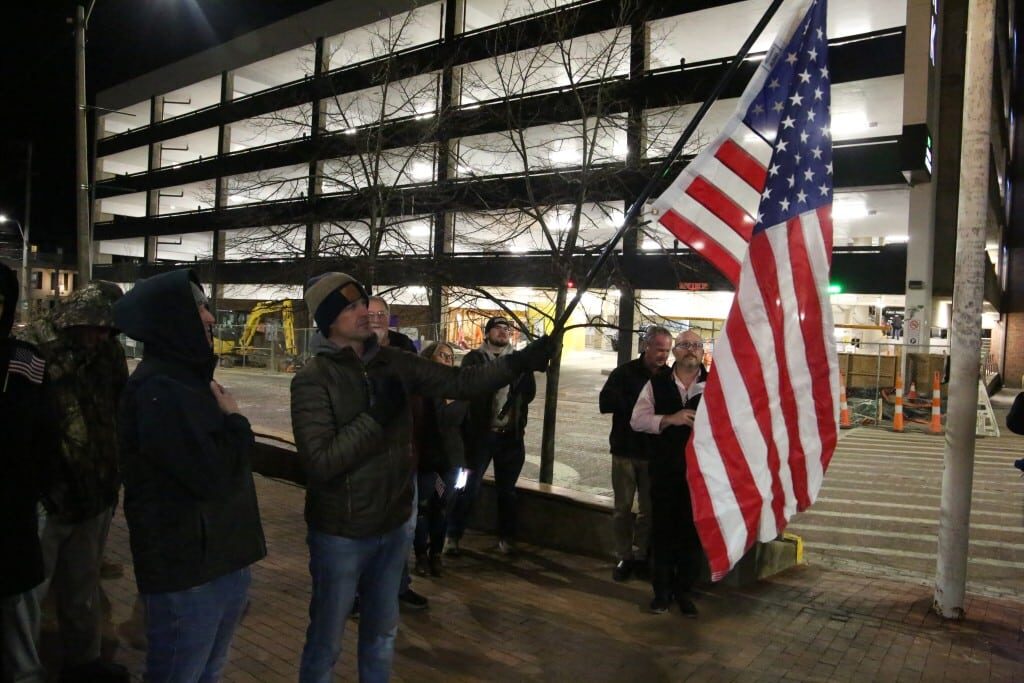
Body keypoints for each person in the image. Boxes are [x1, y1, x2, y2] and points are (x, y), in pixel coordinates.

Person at [291, 273, 553, 683]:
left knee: (381, 635)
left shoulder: (394, 362)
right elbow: (322, 460)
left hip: (393, 525)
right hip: (341, 531)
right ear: (328, 322)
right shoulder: (312, 379)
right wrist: (377, 417)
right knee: (327, 638)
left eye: (364, 303)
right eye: (350, 308)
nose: (365, 313)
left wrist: (516, 363)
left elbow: (460, 382)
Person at [114, 269, 266, 682]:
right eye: (200, 306)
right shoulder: (159, 390)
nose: (211, 318)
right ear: (172, 317)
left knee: (206, 673)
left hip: (217, 563)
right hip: (188, 573)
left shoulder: (185, 382)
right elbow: (211, 476)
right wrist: (237, 423)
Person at [14, 280, 130, 683]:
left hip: (95, 493)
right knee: (27, 593)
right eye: (99, 327)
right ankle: (24, 671)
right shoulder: (33, 347)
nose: (104, 336)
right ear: (77, 319)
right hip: (47, 496)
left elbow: (120, 407)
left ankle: (84, 663)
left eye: (110, 330)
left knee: (82, 590)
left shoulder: (107, 350)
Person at [0, 263, 54, 683]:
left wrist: (37, 488)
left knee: (17, 602)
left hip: (13, 508)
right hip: (17, 504)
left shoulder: (25, 362)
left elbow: (44, 436)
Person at [630, 329, 708, 618]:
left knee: (691, 535)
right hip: (664, 471)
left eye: (697, 345)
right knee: (662, 532)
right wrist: (669, 419)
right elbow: (637, 420)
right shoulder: (657, 383)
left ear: (703, 353)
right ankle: (661, 593)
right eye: (686, 345)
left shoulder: (715, 387)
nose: (691, 350)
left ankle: (684, 591)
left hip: (700, 475)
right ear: (675, 351)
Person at [446, 316, 538, 557]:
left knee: (507, 491)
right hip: (479, 436)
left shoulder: (519, 361)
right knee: (467, 486)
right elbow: (467, 387)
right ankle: (452, 535)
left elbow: (529, 394)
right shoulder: (474, 358)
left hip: (510, 437)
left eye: (507, 329)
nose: (503, 332)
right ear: (487, 334)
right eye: (497, 328)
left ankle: (506, 539)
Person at [598, 326, 672, 582]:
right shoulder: (624, 373)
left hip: (653, 454)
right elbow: (604, 402)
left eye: (667, 350)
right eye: (660, 349)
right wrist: (641, 407)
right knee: (622, 508)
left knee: (649, 511)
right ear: (646, 346)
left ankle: (640, 556)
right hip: (625, 451)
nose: (664, 355)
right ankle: (623, 556)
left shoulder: (669, 377)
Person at [413, 341, 470, 577]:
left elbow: (469, 429)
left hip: (452, 461)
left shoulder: (461, 391)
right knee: (423, 508)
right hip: (426, 459)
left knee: (443, 507)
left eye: (450, 356)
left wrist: (467, 466)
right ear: (429, 358)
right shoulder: (421, 390)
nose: (447, 359)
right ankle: (420, 556)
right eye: (442, 355)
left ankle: (436, 553)